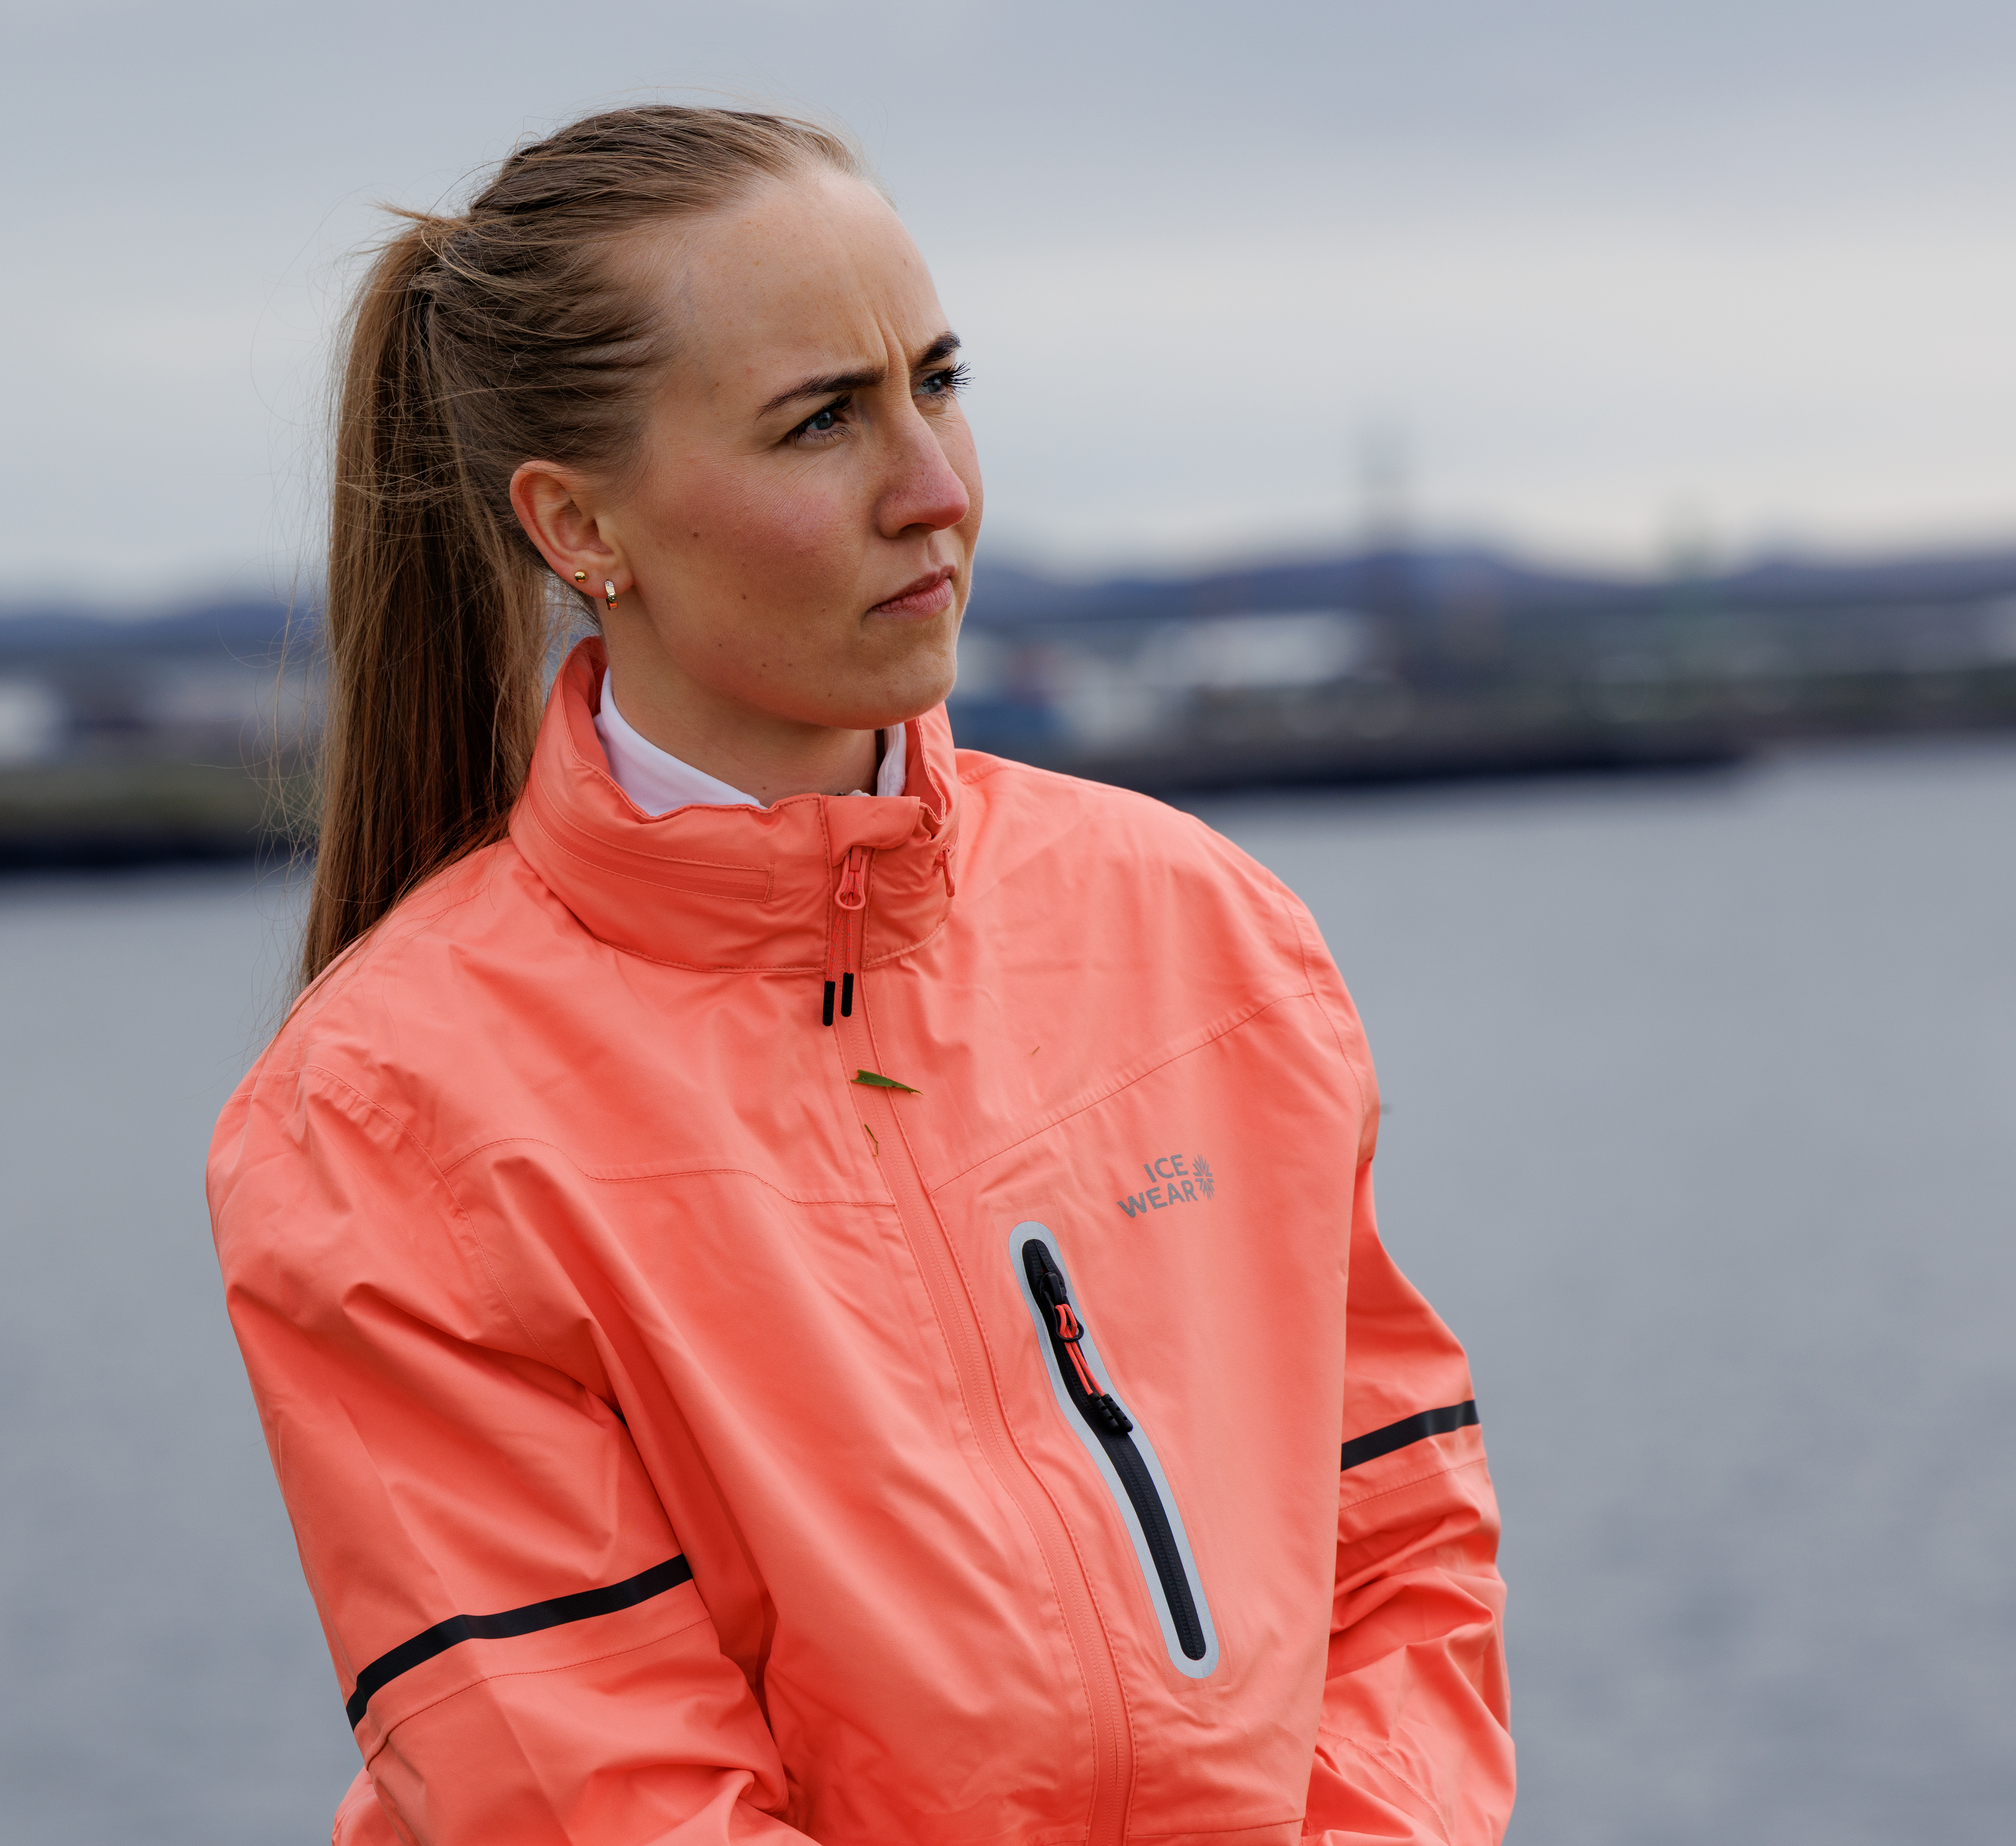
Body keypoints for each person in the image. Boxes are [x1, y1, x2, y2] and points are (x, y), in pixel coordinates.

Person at [207, 105, 1512, 1846]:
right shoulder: (383, 1119)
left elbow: (1398, 1535)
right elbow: (590, 1790)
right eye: (823, 419)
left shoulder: (1204, 928)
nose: (937, 487)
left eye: (940, 381)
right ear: (579, 524)